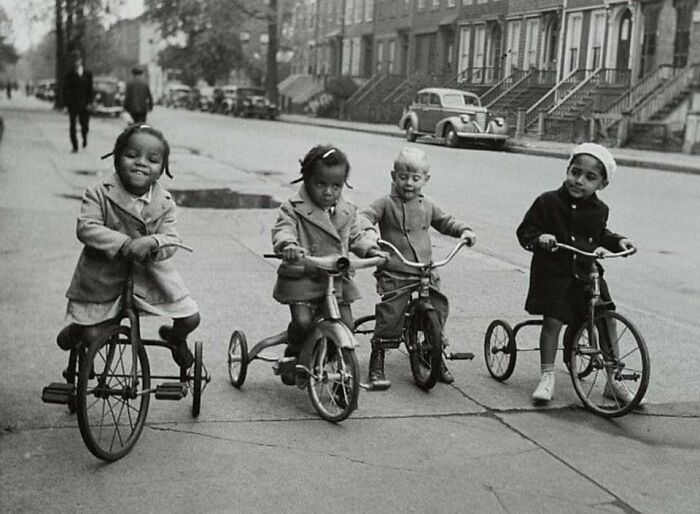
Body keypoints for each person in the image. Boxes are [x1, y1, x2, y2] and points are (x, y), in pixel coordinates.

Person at [56, 124, 200, 368]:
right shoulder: (99, 192)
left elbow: (172, 238)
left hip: (150, 277)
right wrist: (124, 243)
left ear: (163, 169)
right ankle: (77, 332)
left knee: (190, 318)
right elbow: (86, 227)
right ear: (116, 159)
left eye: (152, 160)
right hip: (104, 276)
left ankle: (176, 339)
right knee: (94, 337)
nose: (141, 163)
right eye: (131, 155)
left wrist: (153, 241)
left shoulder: (164, 202)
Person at [516, 142, 637, 404]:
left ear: (601, 184)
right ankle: (547, 375)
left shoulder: (599, 209)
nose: (579, 180)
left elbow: (599, 233)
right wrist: (540, 238)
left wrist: (618, 242)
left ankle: (613, 378)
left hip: (587, 272)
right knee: (554, 321)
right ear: (567, 170)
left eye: (589, 177)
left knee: (607, 319)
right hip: (555, 274)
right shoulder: (547, 201)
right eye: (575, 172)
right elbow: (525, 232)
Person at [361, 147, 476, 389]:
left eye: (415, 178)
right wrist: (370, 236)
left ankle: (434, 352)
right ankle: (378, 356)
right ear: (394, 176)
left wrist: (463, 230)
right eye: (403, 177)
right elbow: (365, 217)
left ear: (426, 179)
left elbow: (446, 221)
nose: (409, 183)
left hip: (424, 269)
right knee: (391, 311)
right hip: (396, 269)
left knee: (438, 305)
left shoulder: (428, 205)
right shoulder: (385, 203)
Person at [271, 144, 385, 384]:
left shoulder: (347, 210)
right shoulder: (293, 207)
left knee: (347, 324)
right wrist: (288, 245)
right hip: (304, 277)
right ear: (307, 179)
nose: (328, 192)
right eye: (320, 184)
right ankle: (293, 351)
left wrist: (371, 248)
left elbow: (356, 236)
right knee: (303, 322)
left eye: (336, 186)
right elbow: (283, 229)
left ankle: (334, 367)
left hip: (335, 280)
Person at [63, 52, 93, 152]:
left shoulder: (88, 74)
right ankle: (75, 146)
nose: (76, 63)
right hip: (73, 105)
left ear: (81, 61)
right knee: (72, 126)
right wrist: (66, 105)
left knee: (85, 125)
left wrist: (90, 102)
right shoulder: (69, 75)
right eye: (74, 61)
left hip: (85, 104)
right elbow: (66, 90)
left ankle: (84, 138)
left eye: (78, 61)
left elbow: (90, 90)